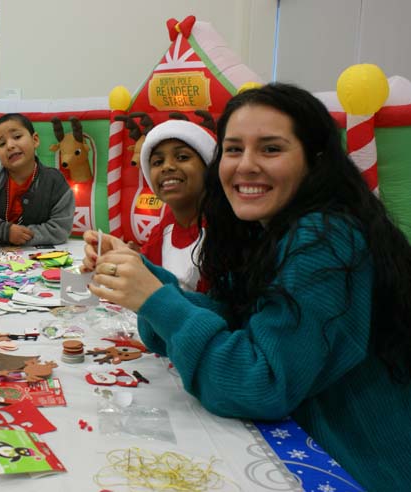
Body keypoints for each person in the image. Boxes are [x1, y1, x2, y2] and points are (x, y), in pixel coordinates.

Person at [83, 83, 411, 490]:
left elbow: (259, 383)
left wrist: (155, 298)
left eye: (271, 149)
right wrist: (143, 274)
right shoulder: (263, 231)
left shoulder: (324, 238)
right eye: (234, 149)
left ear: (316, 160)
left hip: (354, 467)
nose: (246, 165)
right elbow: (233, 317)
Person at [0, 113, 74, 245]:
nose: (10, 145)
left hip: (40, 261)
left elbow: (60, 229)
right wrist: (2, 232)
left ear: (35, 140)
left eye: (17, 137)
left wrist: (21, 236)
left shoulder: (55, 183)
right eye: (1, 143)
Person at [137, 116, 215, 291]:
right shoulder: (163, 230)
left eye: (182, 157)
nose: (167, 167)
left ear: (209, 169)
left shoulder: (226, 234)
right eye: (157, 162)